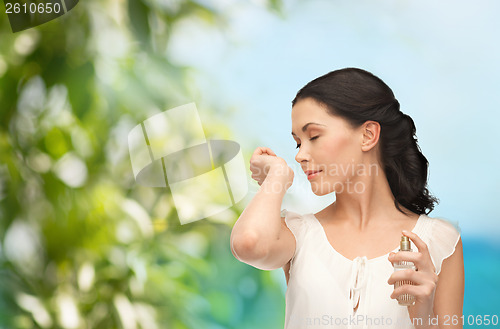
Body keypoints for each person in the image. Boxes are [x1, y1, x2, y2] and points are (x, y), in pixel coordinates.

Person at [230, 68, 464, 329]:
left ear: (367, 135)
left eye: (314, 136)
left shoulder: (439, 241)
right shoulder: (298, 235)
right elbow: (248, 244)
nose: (300, 155)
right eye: (298, 143)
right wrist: (277, 178)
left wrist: (422, 314)